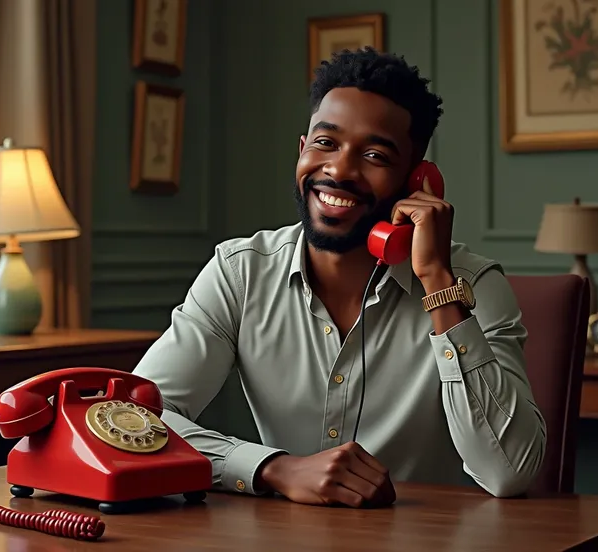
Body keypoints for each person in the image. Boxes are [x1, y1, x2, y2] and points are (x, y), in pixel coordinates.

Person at [132, 47, 546, 508]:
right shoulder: (240, 272)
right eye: (325, 143)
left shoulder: (472, 284)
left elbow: (509, 472)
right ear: (301, 150)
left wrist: (436, 283)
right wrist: (273, 468)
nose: (339, 170)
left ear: (418, 182)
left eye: (373, 154)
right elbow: (140, 420)